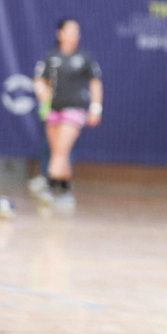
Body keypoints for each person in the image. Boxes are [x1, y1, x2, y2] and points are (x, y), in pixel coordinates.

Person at [29, 18, 102, 210]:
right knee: (58, 152)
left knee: (61, 150)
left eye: (76, 31)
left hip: (74, 110)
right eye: (70, 31)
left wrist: (95, 108)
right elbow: (39, 79)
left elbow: (95, 83)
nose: (74, 35)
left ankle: (49, 186)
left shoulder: (84, 57)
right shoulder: (51, 57)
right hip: (54, 110)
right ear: (60, 34)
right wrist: (41, 91)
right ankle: (66, 190)